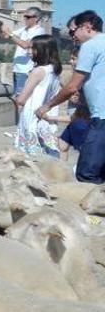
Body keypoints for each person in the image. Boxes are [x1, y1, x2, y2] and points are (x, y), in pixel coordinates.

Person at [37, 10, 105, 183]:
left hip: (102, 118)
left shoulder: (90, 46)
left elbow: (73, 86)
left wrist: (48, 106)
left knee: (86, 173)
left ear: (88, 26)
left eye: (73, 31)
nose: (71, 36)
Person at [14, 34, 62, 157]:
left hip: (32, 117)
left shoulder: (38, 71)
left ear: (42, 50)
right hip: (48, 117)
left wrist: (17, 98)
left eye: (32, 48)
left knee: (30, 156)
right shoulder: (54, 69)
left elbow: (21, 99)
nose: (28, 51)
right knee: (48, 152)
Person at [0, 6, 46, 100]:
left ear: (36, 18)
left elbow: (26, 45)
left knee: (21, 99)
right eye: (25, 16)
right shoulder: (24, 29)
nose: (25, 19)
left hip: (26, 71)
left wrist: (11, 34)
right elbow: (6, 36)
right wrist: (0, 29)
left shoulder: (39, 31)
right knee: (17, 97)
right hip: (17, 69)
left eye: (28, 17)